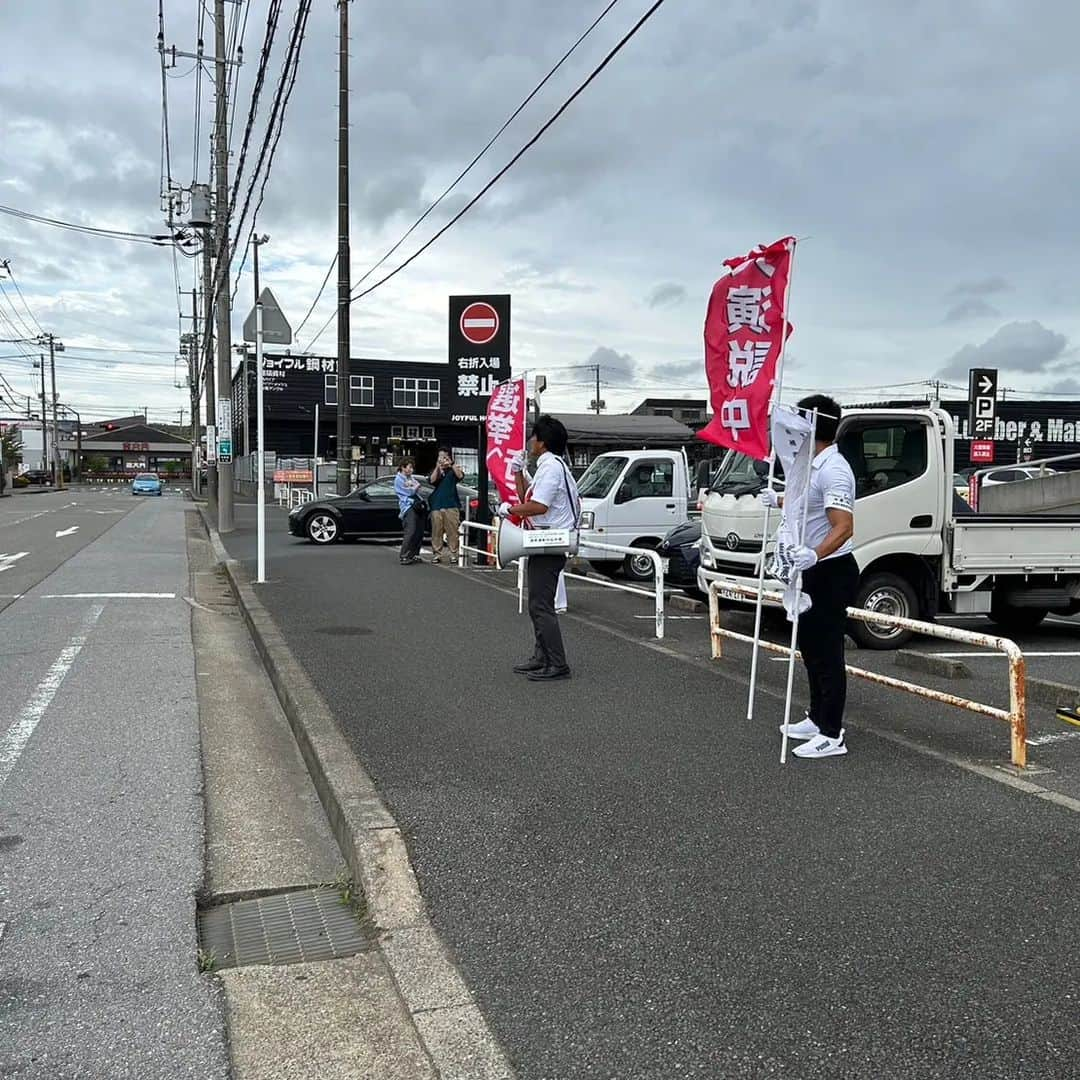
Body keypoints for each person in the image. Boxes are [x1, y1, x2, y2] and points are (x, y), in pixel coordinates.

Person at [761, 394, 857, 759]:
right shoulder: (809, 465)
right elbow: (808, 506)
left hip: (829, 570)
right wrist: (778, 501)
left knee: (828, 650)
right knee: (810, 648)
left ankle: (833, 733)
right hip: (807, 569)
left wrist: (814, 553)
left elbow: (843, 526)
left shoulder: (834, 468)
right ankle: (816, 718)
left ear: (812, 424)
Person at [498, 415, 580, 681]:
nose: (530, 442)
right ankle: (541, 657)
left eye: (534, 437)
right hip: (542, 542)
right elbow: (528, 497)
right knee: (538, 603)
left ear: (542, 442)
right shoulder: (549, 465)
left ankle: (558, 664)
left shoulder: (551, 468)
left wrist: (507, 510)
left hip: (549, 543)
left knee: (541, 605)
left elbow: (538, 506)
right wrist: (517, 471)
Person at [428, 447, 464, 564]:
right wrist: (438, 467)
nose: (442, 459)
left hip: (451, 504)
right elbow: (431, 480)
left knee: (452, 531)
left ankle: (453, 554)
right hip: (437, 505)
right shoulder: (436, 471)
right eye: (440, 457)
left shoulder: (453, 470)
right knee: (436, 531)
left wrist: (451, 464)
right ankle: (437, 554)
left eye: (444, 457)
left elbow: (460, 476)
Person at [394, 460, 424, 565]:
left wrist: (414, 487)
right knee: (410, 530)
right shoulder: (399, 479)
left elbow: (417, 486)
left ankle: (414, 554)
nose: (411, 470)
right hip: (407, 507)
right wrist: (414, 487)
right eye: (409, 467)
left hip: (416, 505)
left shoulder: (410, 478)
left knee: (418, 531)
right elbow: (408, 492)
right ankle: (404, 555)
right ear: (402, 467)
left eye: (412, 468)